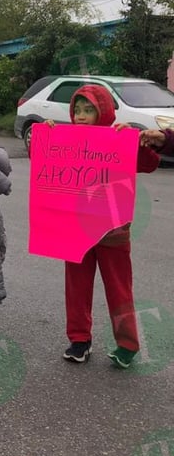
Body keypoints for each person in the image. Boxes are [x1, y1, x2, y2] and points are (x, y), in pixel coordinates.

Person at [46, 85, 159, 367]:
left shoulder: (117, 138)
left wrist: (137, 142)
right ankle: (79, 340)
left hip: (113, 230)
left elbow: (149, 164)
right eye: (77, 111)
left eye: (89, 110)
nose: (81, 116)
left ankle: (127, 345)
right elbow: (45, 166)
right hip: (76, 229)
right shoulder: (66, 139)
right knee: (76, 287)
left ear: (104, 112)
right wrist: (45, 135)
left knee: (119, 287)